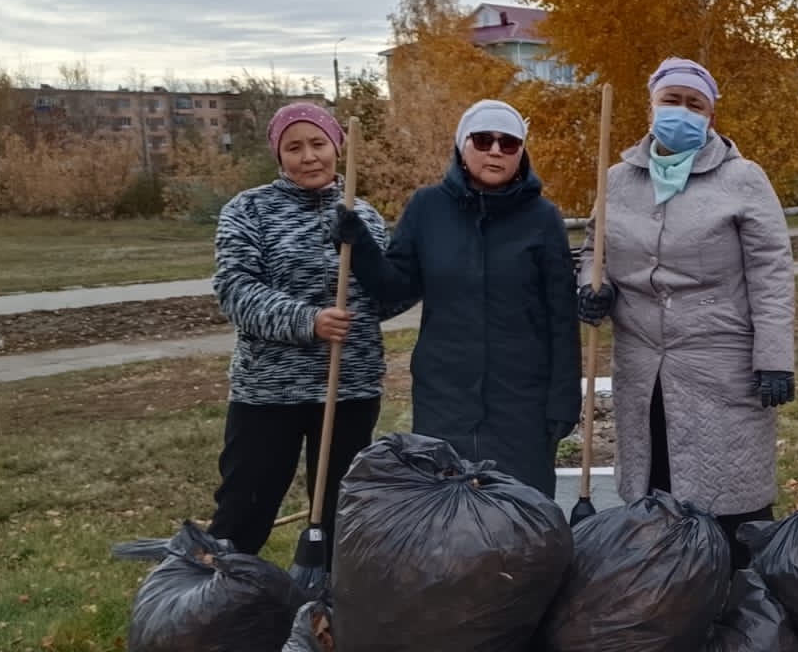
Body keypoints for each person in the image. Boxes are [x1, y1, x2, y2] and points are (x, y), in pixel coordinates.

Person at [576, 57, 795, 566]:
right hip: (642, 367)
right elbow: (594, 249)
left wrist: (776, 359)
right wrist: (591, 286)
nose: (682, 111)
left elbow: (771, 272)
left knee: (730, 498)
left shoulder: (742, 179)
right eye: (671, 101)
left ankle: (739, 609)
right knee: (657, 490)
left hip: (722, 365)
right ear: (651, 109)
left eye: (694, 104)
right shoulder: (618, 180)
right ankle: (664, 603)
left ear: (710, 117)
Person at [335, 100, 580, 498]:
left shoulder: (542, 218)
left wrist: (565, 397)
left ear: (522, 152)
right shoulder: (427, 208)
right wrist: (360, 246)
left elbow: (562, 317)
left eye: (509, 143)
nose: (496, 150)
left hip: (521, 398)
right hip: (445, 393)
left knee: (522, 510)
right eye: (483, 140)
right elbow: (395, 287)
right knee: (448, 510)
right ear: (462, 146)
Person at [211, 102, 396, 557]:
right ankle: (218, 604)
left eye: (318, 143)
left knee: (339, 513)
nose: (308, 156)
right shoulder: (248, 210)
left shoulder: (364, 216)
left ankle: (327, 606)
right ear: (279, 155)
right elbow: (234, 290)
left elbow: (387, 295)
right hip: (270, 390)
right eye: (294, 147)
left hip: (349, 387)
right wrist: (307, 321)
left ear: (337, 146)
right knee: (244, 508)